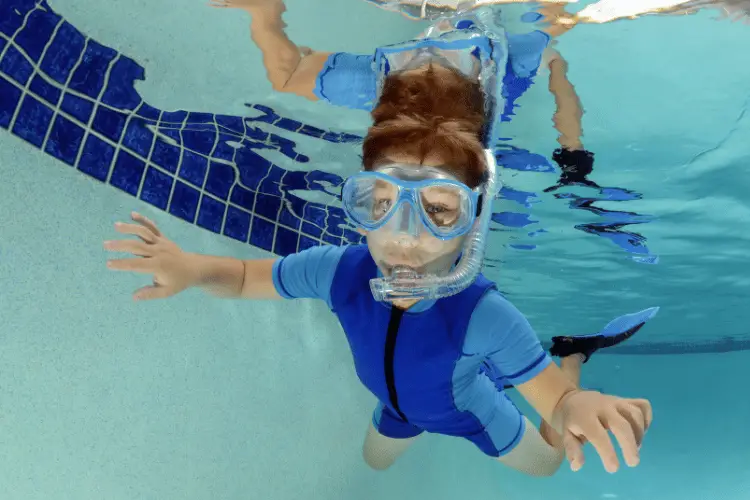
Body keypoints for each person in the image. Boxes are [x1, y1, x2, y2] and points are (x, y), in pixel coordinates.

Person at [208, 0, 602, 190]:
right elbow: (555, 18)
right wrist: (573, 147)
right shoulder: (519, 53)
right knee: (552, 58)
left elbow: (286, 75)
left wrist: (263, 13)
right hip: (509, 67)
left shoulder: (370, 84)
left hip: (418, 88)